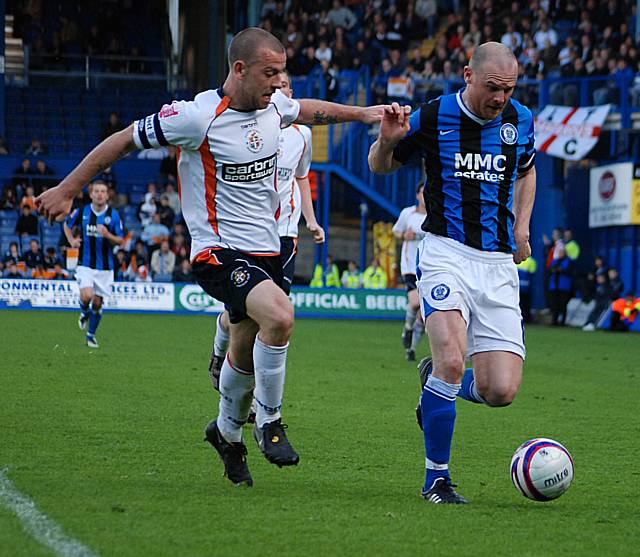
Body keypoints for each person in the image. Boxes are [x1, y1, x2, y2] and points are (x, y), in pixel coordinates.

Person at [36, 27, 383, 487]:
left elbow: (312, 111)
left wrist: (363, 114)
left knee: (243, 349)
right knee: (280, 316)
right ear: (239, 69)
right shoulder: (195, 117)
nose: (279, 83)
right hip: (218, 251)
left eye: (283, 73)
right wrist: (67, 188)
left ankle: (226, 435)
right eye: (270, 73)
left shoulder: (274, 105)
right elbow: (122, 140)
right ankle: (270, 420)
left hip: (268, 251)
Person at [368, 42, 536, 504]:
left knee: (499, 390)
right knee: (451, 357)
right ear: (468, 75)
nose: (500, 97)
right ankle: (436, 479)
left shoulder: (520, 120)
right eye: (492, 87)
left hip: (498, 263)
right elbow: (378, 167)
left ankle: (436, 386)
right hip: (446, 253)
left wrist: (522, 226)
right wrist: (386, 139)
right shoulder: (432, 114)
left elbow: (527, 171)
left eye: (508, 89)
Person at [208, 70, 325, 393]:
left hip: (284, 235)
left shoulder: (301, 135)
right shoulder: (247, 129)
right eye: (276, 85)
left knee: (271, 313)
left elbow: (301, 177)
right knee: (243, 315)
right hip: (248, 235)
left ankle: (254, 396)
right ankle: (221, 356)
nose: (280, 90)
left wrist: (310, 220)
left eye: (286, 86)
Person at [63, 180, 125, 348]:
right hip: (85, 264)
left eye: (103, 191)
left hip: (105, 268)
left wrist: (107, 235)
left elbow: (120, 240)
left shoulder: (114, 215)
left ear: (107, 195)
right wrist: (72, 240)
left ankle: (91, 336)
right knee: (87, 296)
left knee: (97, 304)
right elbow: (67, 225)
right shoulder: (82, 211)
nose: (99, 194)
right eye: (96, 191)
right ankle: (84, 312)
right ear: (91, 194)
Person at [393, 182, 427, 361]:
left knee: (424, 314)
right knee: (415, 303)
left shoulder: (435, 216)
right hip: (409, 266)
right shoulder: (408, 213)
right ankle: (407, 328)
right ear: (417, 195)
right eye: (422, 192)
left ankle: (411, 349)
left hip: (428, 267)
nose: (425, 195)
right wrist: (404, 236)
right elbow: (396, 232)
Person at [548, 245, 573, 326]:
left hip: (564, 286)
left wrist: (559, 270)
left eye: (562, 252)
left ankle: (562, 321)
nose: (561, 253)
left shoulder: (569, 261)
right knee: (554, 304)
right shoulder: (555, 261)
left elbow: (568, 272)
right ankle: (554, 321)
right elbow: (551, 270)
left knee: (563, 304)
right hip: (554, 286)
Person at [516, 255, 537, 323]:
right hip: (524, 286)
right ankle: (525, 319)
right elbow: (532, 273)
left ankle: (524, 319)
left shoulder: (516, 259)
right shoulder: (531, 261)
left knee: (522, 304)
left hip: (521, 287)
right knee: (524, 304)